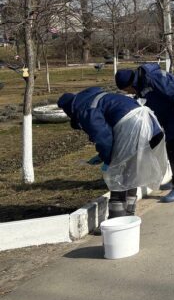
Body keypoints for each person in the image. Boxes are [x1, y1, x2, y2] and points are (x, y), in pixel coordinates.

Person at [57, 88, 166, 219]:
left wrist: (107, 159)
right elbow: (109, 130)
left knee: (117, 173)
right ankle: (129, 215)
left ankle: (117, 219)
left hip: (134, 126)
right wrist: (102, 154)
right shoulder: (98, 98)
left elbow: (103, 138)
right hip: (151, 124)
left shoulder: (86, 109)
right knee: (132, 170)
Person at [115, 64, 174, 203]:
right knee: (173, 148)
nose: (128, 93)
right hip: (171, 116)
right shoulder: (141, 84)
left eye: (127, 90)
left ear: (129, 84)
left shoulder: (153, 79)